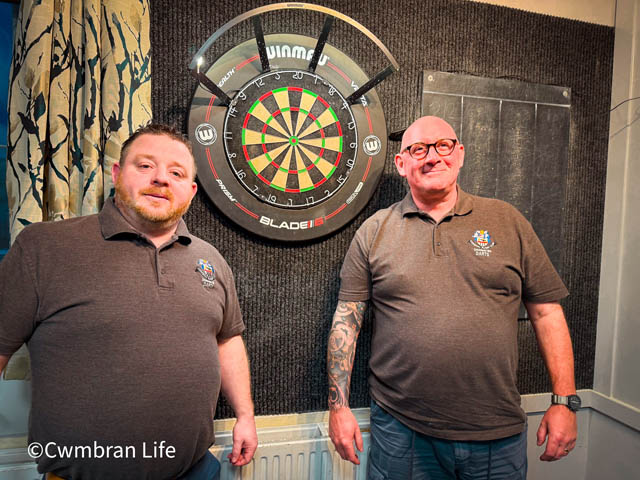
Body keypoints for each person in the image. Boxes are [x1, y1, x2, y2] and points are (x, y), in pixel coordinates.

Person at [0, 124, 257, 479]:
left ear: (191, 191)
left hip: (198, 471)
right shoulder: (43, 248)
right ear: (117, 174)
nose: (161, 179)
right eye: (145, 166)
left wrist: (245, 416)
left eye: (176, 172)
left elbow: (227, 340)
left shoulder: (210, 259)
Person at [327, 116, 578, 479]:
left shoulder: (507, 221)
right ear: (401, 164)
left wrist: (564, 402)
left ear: (459, 154)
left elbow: (547, 314)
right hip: (402, 432)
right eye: (418, 149)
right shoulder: (375, 231)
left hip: (496, 434)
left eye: (443, 146)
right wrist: (338, 408)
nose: (432, 157)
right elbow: (346, 322)